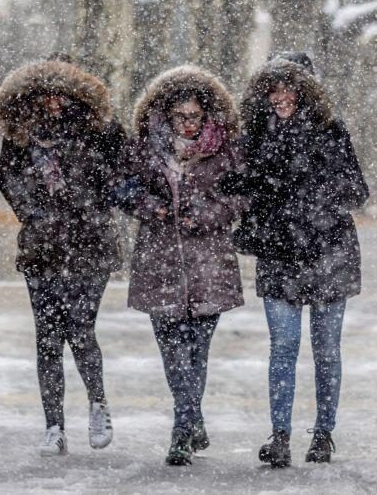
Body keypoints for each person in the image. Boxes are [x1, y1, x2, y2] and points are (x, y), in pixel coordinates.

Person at [229, 55, 369, 468]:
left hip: (329, 252)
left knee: (326, 349)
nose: (280, 97)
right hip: (279, 254)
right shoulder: (253, 135)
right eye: (272, 89)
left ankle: (324, 434)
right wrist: (254, 193)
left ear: (307, 90)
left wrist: (313, 194)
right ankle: (280, 436)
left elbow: (357, 190)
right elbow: (240, 189)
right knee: (283, 347)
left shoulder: (331, 131)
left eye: (288, 87)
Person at [0, 57, 125, 456]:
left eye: (61, 92)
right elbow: (8, 178)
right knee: (47, 339)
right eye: (45, 93)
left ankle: (98, 403)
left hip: (91, 246)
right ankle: (54, 425)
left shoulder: (101, 130)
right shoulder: (21, 134)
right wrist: (33, 213)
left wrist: (94, 206)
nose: (53, 101)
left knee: (80, 328)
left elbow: (123, 173)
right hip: (42, 249)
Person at [118, 65, 244, 466]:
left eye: (195, 116)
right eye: (180, 117)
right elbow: (122, 188)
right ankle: (188, 421)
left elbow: (243, 195)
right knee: (173, 352)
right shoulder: (144, 148)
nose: (188, 124)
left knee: (197, 351)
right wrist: (152, 207)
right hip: (160, 263)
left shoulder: (226, 148)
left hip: (209, 264)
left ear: (207, 115)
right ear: (165, 115)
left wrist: (208, 213)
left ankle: (183, 426)